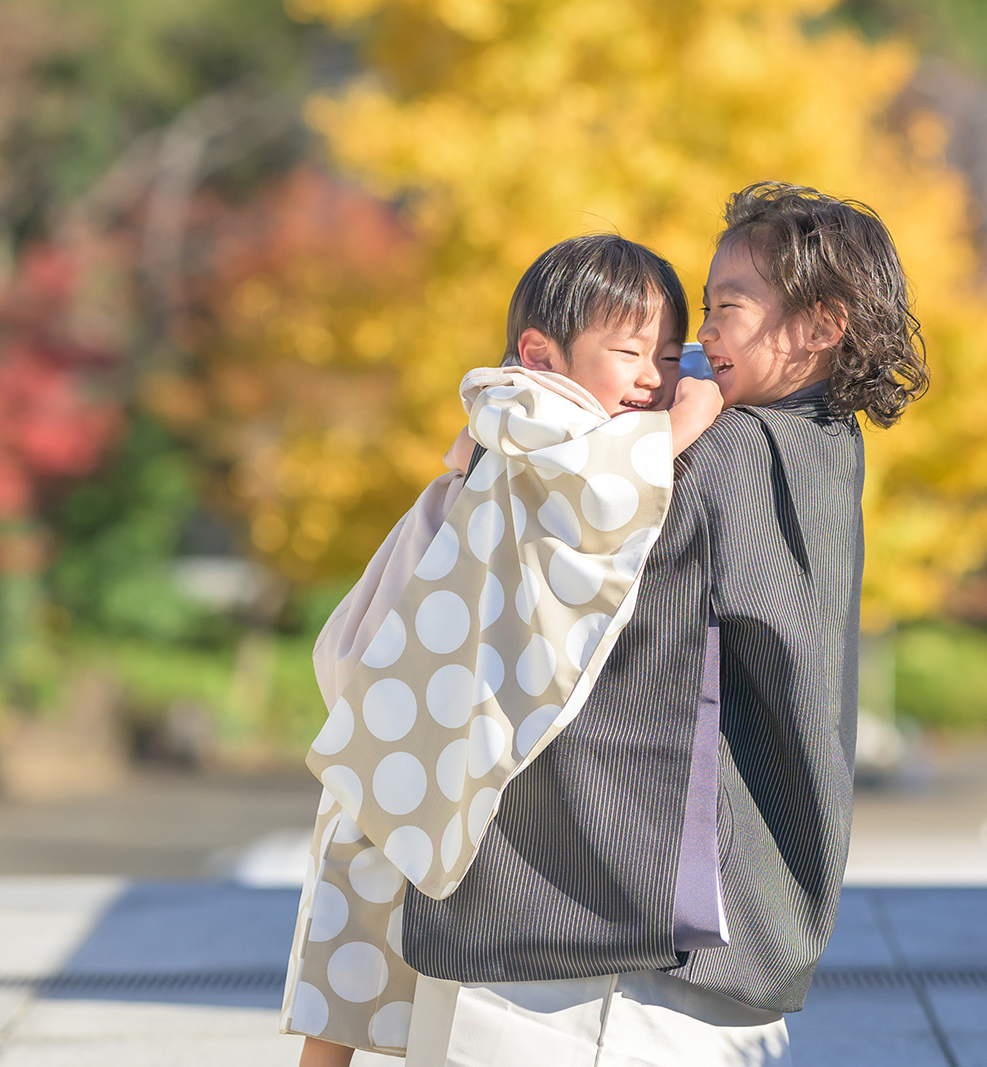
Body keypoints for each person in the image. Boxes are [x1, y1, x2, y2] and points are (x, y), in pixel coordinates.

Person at [388, 181, 929, 1066]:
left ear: (823, 323)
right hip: (710, 918)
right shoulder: (821, 444)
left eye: (728, 306)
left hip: (591, 925)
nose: (701, 335)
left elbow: (543, 483)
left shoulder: (717, 453)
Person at [285, 233, 724, 1066]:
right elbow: (593, 489)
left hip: (423, 686)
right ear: (540, 353)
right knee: (364, 905)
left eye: (671, 357)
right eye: (628, 353)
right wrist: (685, 421)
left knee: (372, 913)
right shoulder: (528, 408)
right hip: (416, 684)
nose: (652, 379)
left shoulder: (535, 419)